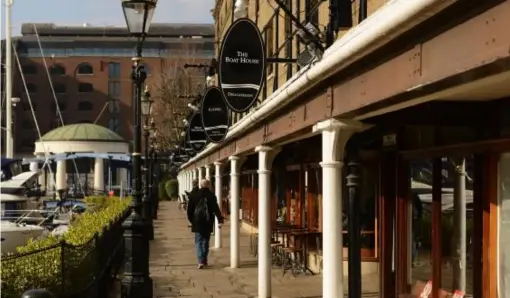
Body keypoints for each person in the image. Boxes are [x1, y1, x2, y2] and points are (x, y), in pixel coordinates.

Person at [187, 178, 224, 269]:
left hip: (197, 221)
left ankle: (200, 261)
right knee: (205, 241)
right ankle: (204, 260)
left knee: (198, 241)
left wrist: (192, 220)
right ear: (208, 185)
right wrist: (220, 219)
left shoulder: (194, 195)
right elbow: (216, 209)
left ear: (200, 185)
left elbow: (189, 210)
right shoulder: (211, 196)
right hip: (208, 221)